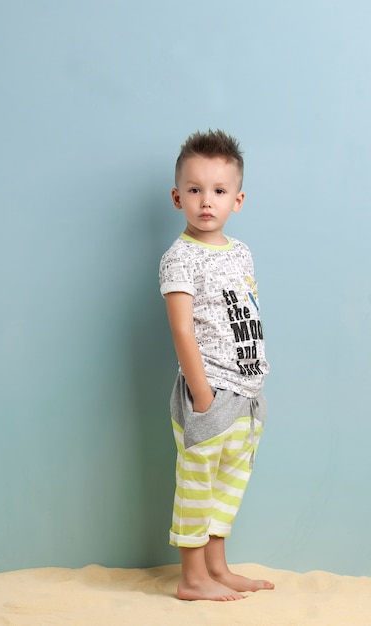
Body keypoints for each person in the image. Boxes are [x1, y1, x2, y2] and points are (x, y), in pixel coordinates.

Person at [159, 129, 275, 601]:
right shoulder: (179, 258)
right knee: (197, 484)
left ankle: (216, 567)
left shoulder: (241, 252)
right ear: (177, 197)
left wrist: (253, 385)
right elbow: (183, 330)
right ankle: (191, 578)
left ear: (238, 200)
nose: (207, 200)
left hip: (246, 394)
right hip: (208, 394)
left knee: (229, 483)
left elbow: (244, 312)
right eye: (195, 189)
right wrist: (202, 394)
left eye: (219, 191)